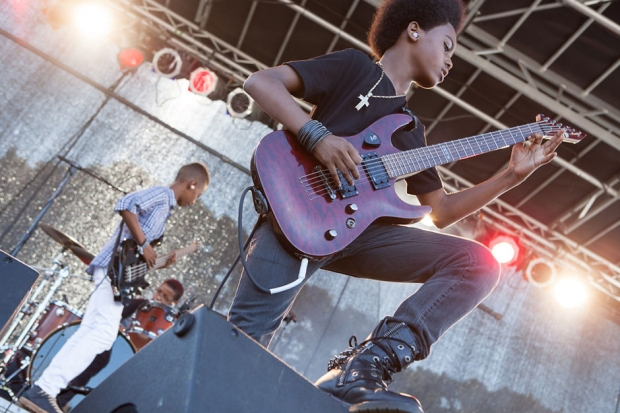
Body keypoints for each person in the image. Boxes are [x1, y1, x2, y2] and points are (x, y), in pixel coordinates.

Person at [228, 1, 564, 412]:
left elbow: (440, 211)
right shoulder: (355, 68)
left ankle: (366, 363)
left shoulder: (409, 130)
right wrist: (316, 135)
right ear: (414, 30)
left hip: (356, 235)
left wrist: (511, 176)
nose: (450, 62)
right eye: (448, 45)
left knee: (478, 264)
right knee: (236, 350)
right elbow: (260, 82)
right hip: (295, 220)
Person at [20, 163, 209, 413]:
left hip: (116, 272)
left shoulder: (165, 207)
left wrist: (157, 260)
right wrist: (145, 244)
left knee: (91, 332)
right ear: (191, 184)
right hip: (112, 271)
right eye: (199, 194)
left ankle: (43, 389)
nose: (196, 201)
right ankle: (45, 389)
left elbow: (136, 251)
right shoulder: (163, 196)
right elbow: (125, 204)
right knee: (102, 335)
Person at [55, 279, 185, 410]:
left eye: (165, 297)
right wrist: (117, 327)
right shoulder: (139, 304)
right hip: (109, 351)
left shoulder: (170, 325)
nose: (158, 297)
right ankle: (61, 400)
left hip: (133, 365)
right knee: (97, 358)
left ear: (173, 303)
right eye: (158, 291)